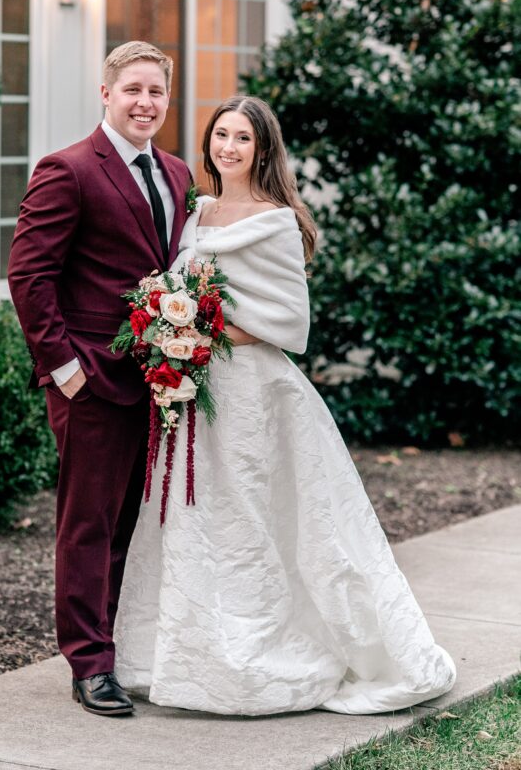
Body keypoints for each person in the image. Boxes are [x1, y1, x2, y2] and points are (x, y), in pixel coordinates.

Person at [114, 95, 456, 716]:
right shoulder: (198, 211)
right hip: (194, 391)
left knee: (257, 518)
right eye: (221, 135)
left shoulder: (276, 220)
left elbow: (284, 319)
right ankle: (180, 657)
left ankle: (266, 655)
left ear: (263, 148)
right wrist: (171, 333)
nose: (228, 148)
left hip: (251, 393)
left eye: (242, 138)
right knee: (191, 516)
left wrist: (196, 333)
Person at [8, 41, 192, 717]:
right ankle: (89, 664)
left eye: (157, 93)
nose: (145, 103)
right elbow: (29, 276)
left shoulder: (176, 174)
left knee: (133, 525)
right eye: (134, 89)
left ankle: (123, 647)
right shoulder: (69, 169)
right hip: (90, 380)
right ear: (106, 93)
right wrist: (64, 370)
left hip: (158, 382)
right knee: (87, 525)